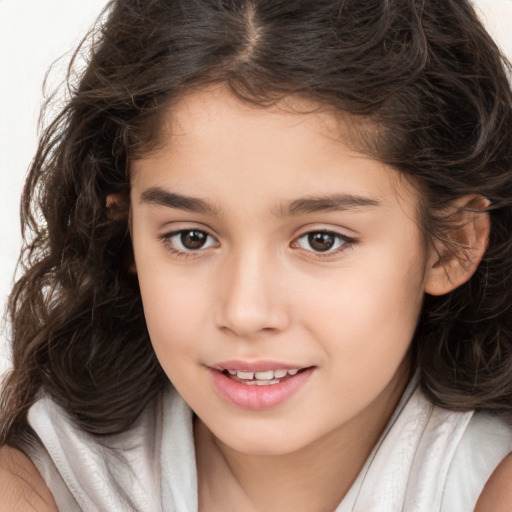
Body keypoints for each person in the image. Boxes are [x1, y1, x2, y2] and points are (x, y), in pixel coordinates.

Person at [1, 0, 512, 510]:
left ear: (450, 244)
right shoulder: (33, 483)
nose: (246, 312)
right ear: (127, 233)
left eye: (321, 240)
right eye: (191, 238)